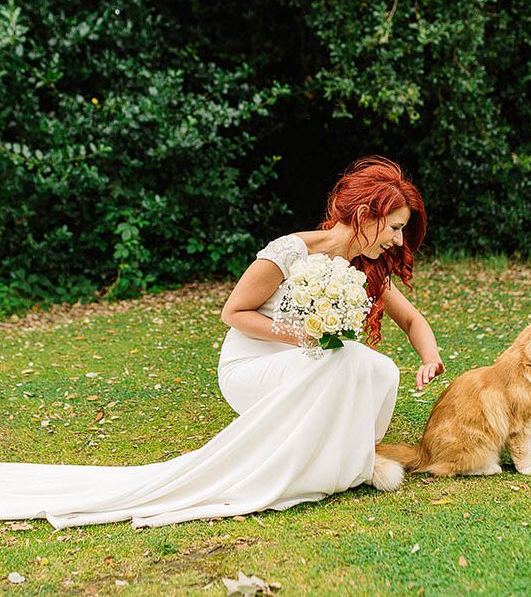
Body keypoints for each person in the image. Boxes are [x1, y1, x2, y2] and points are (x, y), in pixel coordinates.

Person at [0, 156, 443, 529]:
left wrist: (430, 356)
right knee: (340, 360)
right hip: (250, 363)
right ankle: (304, 469)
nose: (398, 241)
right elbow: (233, 313)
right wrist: (304, 335)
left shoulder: (362, 266)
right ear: (366, 215)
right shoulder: (289, 252)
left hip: (308, 359)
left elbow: (409, 318)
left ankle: (343, 460)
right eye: (395, 228)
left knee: (377, 367)